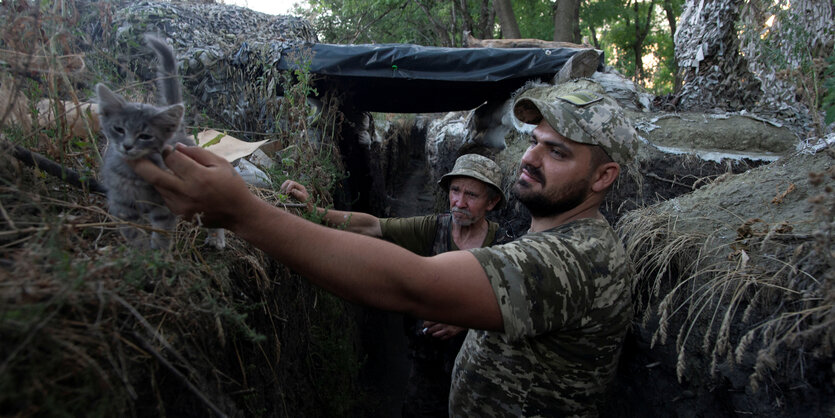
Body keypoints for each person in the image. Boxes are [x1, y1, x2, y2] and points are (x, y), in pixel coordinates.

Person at [129, 82, 639, 416]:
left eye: (557, 151)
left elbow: (412, 283)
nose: (530, 157)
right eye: (534, 140)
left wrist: (244, 214)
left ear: (603, 177)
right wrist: (303, 212)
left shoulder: (578, 259)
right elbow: (375, 228)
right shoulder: (547, 239)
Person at [280, 153, 506, 417]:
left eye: (472, 195)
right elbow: (373, 226)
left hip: (477, 369)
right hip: (427, 363)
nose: (459, 202)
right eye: (455, 190)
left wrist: (467, 320)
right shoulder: (433, 228)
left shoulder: (505, 245)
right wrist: (316, 211)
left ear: (492, 202)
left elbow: (518, 306)